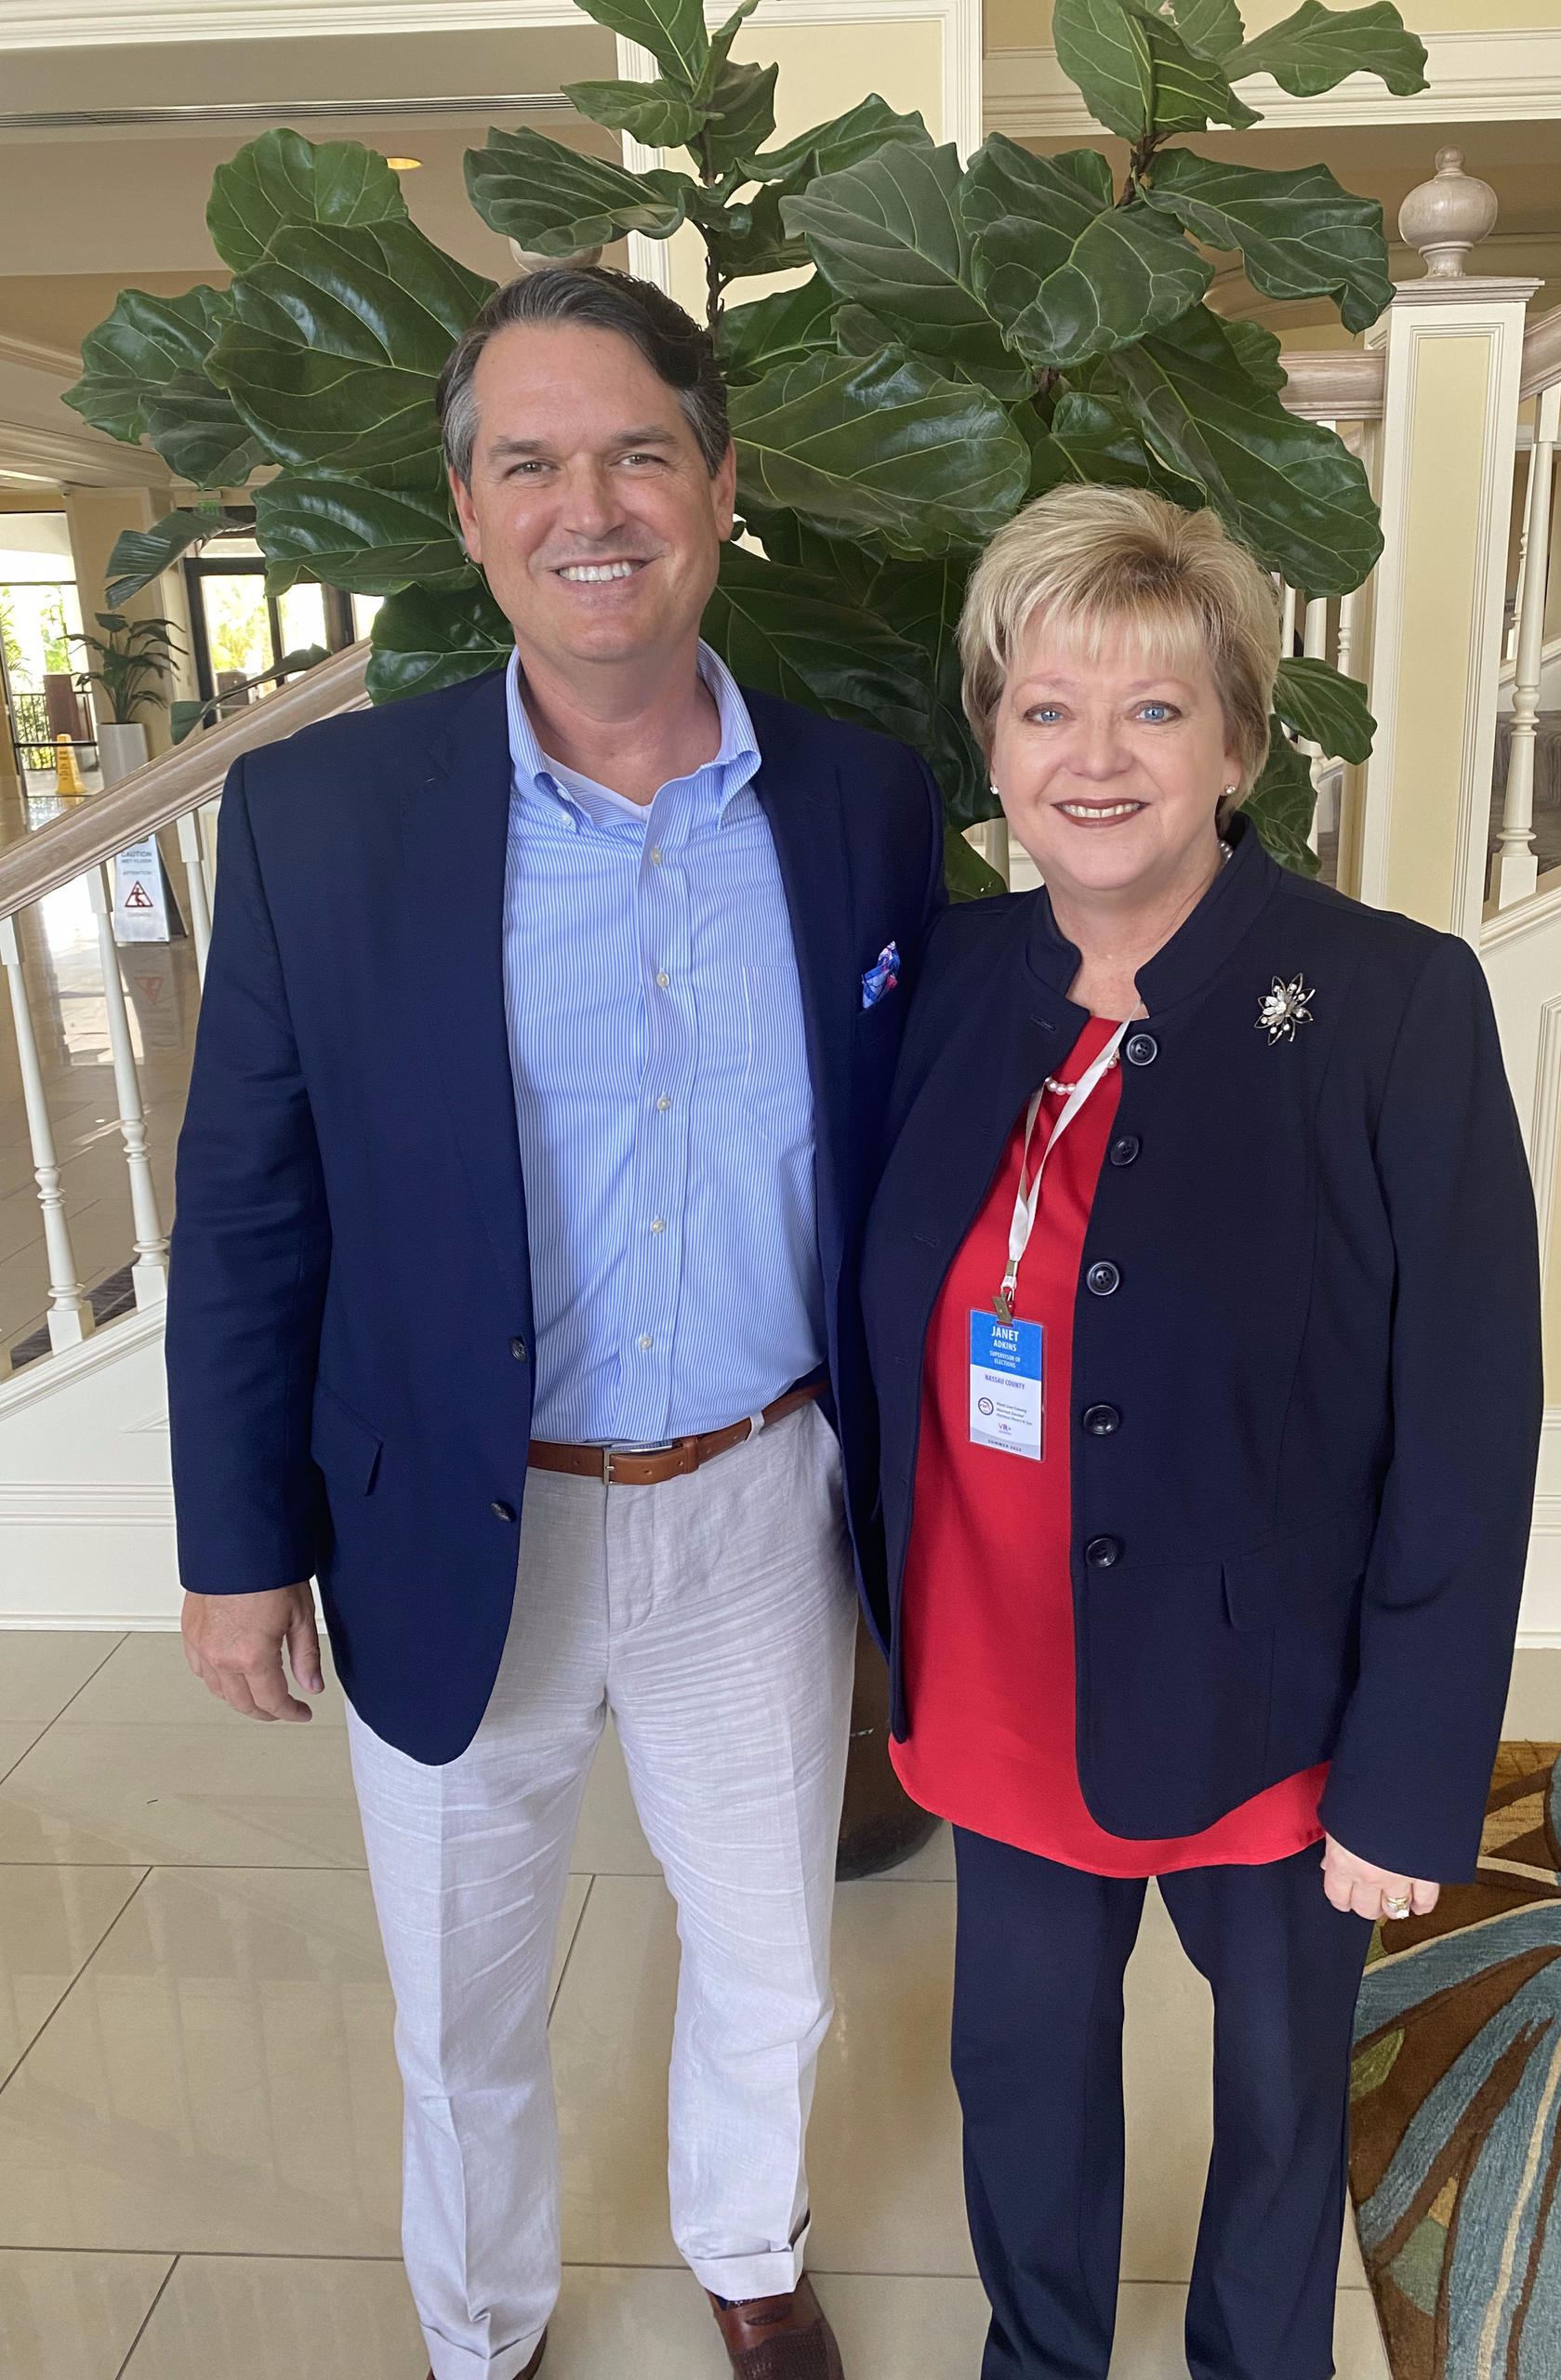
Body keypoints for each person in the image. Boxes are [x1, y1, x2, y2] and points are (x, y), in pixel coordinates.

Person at [167, 263, 943, 2380]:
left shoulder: (865, 805)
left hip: (760, 1501)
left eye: (636, 453)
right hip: (454, 1509)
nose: (587, 506)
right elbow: (248, 1205)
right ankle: (484, 2322)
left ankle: (748, 2250)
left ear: (720, 483)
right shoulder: (327, 819)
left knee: (774, 1959)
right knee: (464, 1994)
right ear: (467, 507)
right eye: (530, 461)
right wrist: (237, 1547)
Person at [859, 486, 1542, 2380]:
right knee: (1022, 2079)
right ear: (992, 741)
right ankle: (1040, 2357)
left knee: (1281, 2100)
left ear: (1237, 743)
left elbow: (1471, 1411)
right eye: (1047, 708)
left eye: (1153, 709)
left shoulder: (1390, 1001)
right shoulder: (947, 981)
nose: (1095, 758)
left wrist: (1410, 1774)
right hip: (1000, 1676)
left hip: (1270, 1706)